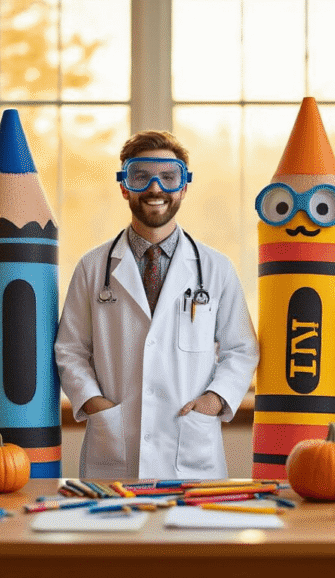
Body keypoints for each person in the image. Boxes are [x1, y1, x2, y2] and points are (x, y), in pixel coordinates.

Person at [55, 130, 259, 480]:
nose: (155, 188)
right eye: (140, 176)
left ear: (183, 187)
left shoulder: (216, 268)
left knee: (189, 535)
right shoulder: (93, 268)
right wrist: (93, 403)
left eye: (168, 177)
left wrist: (214, 400)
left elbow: (241, 349)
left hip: (191, 453)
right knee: (116, 533)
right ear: (124, 186)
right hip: (115, 452)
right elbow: (70, 350)